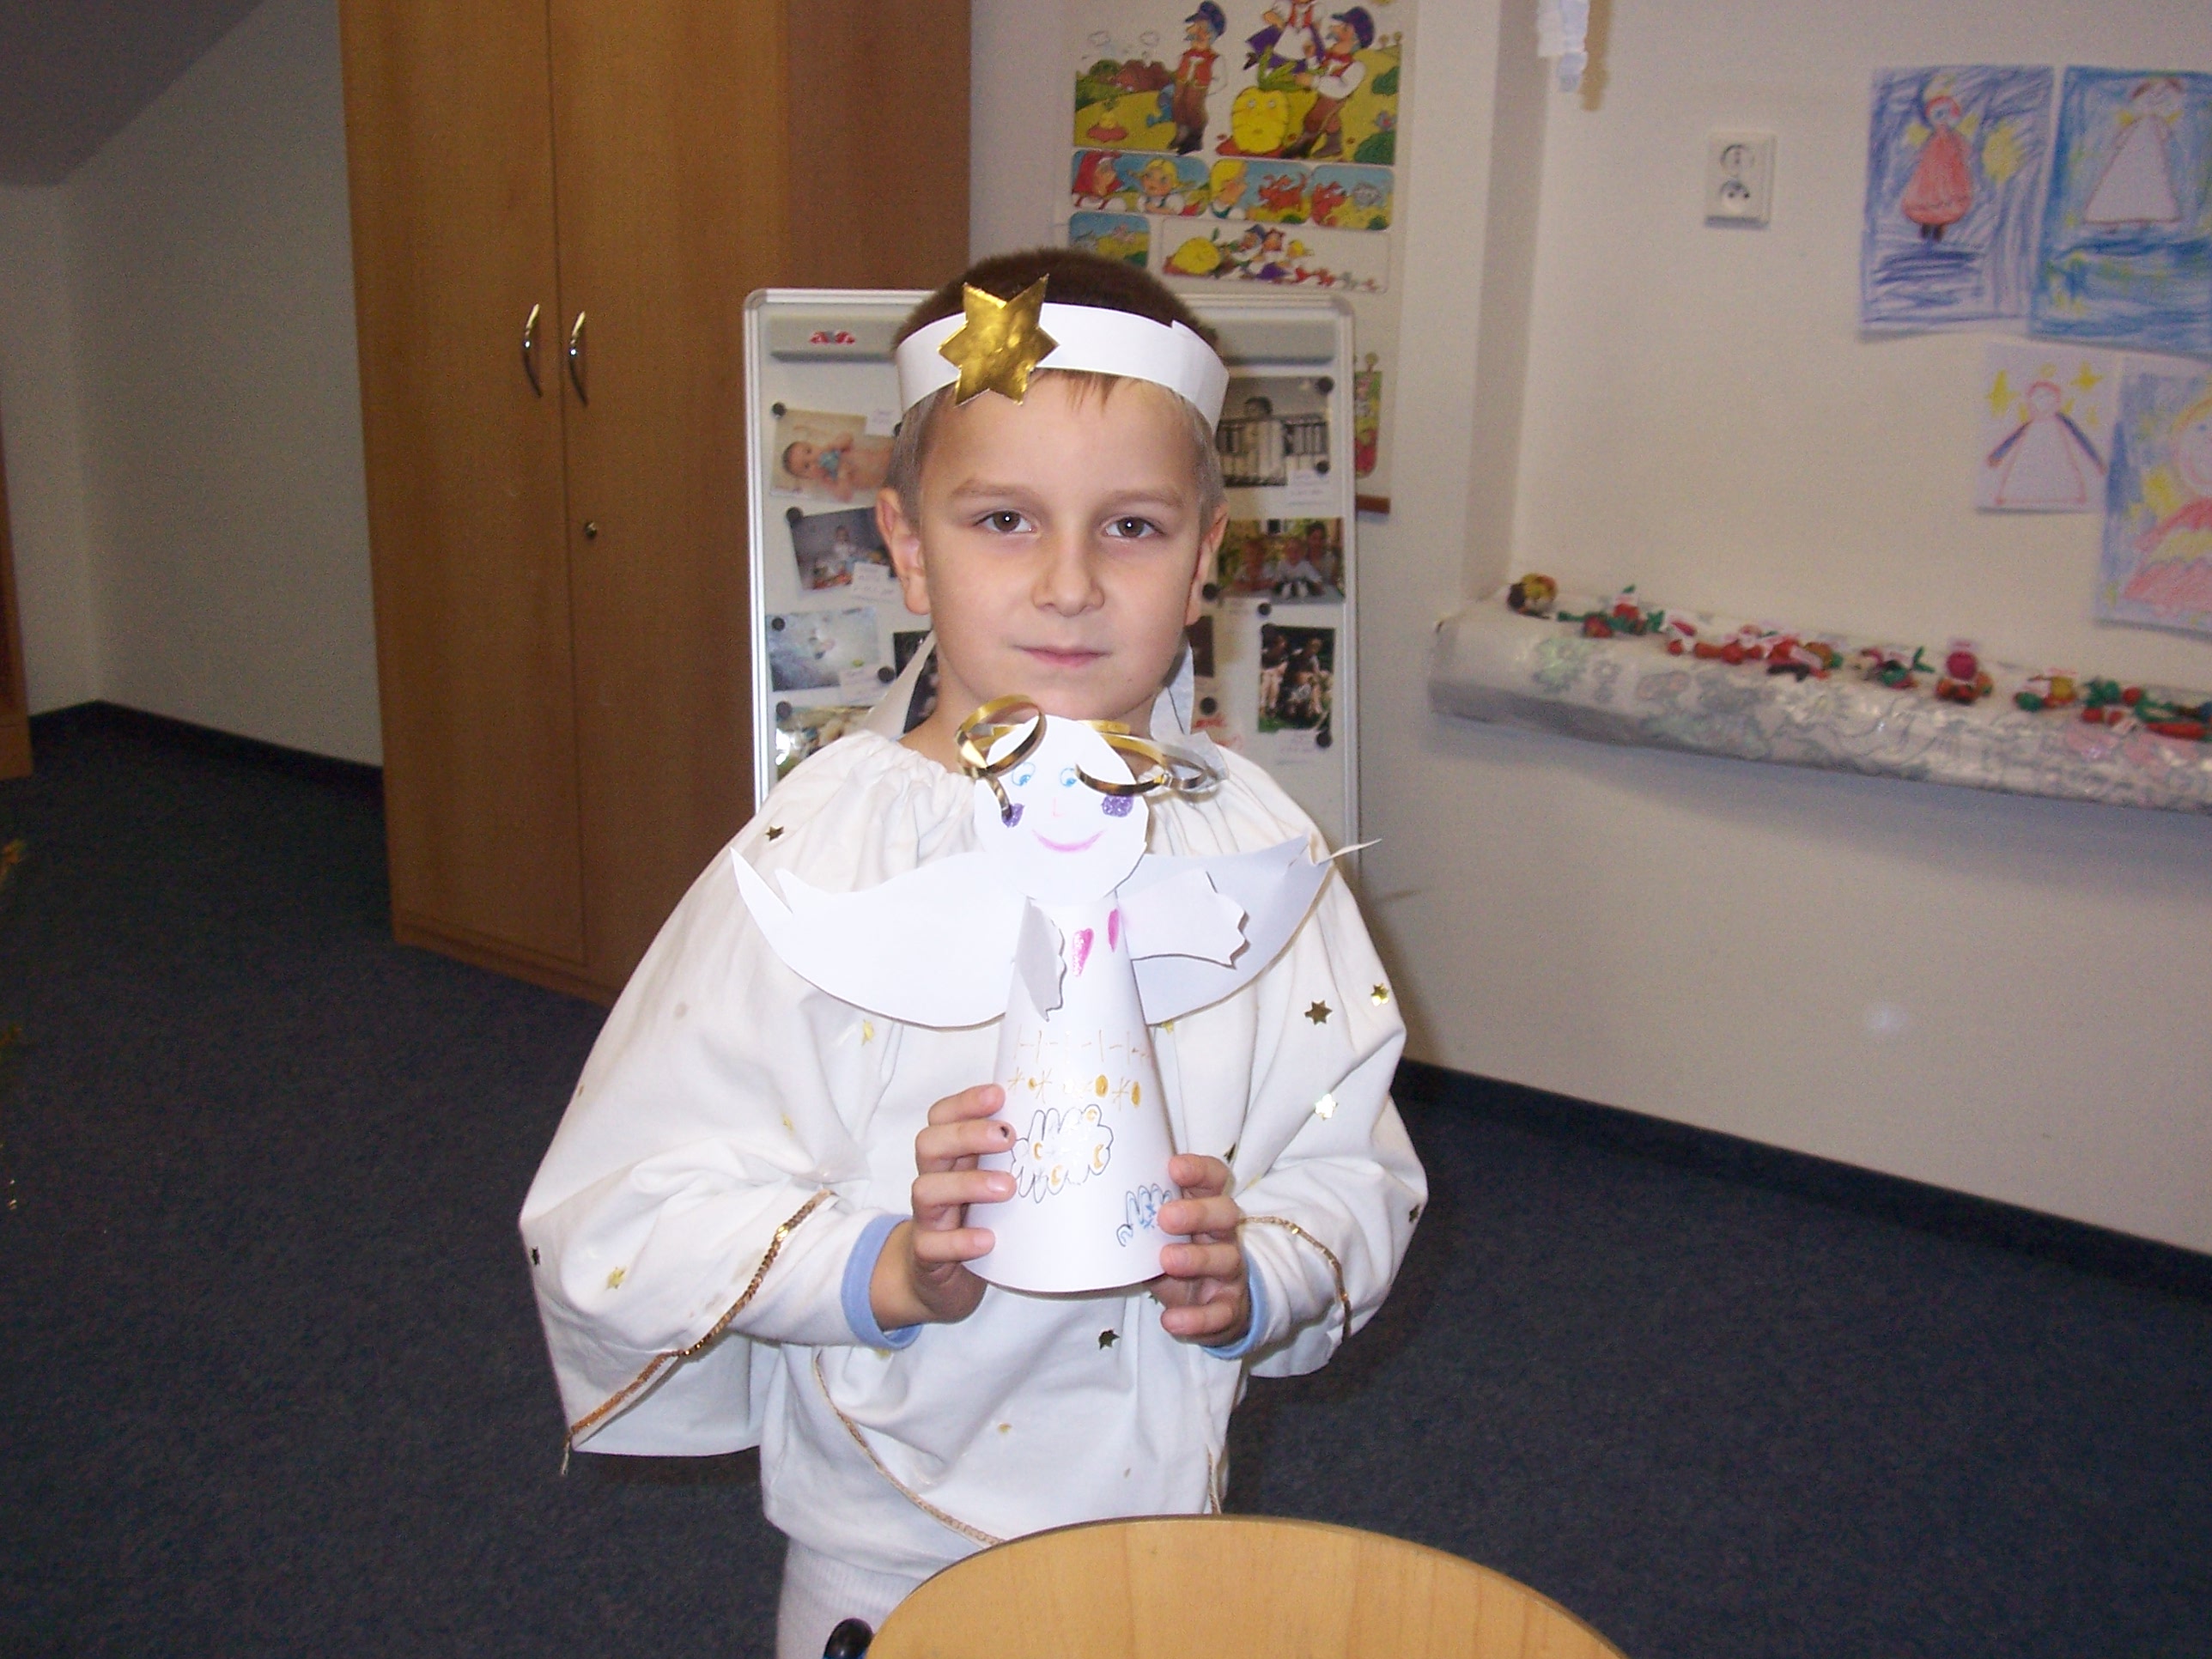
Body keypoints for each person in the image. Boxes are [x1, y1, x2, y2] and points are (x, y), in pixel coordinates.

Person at [520, 247, 1425, 1659]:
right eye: (1005, 519)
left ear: (1205, 557)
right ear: (903, 542)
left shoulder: (1252, 847)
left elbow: (1351, 1160)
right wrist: (883, 1266)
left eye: (1131, 528)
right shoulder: (827, 856)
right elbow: (618, 1210)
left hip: (1157, 1519)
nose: (1069, 586)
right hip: (886, 1551)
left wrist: (1261, 1270)